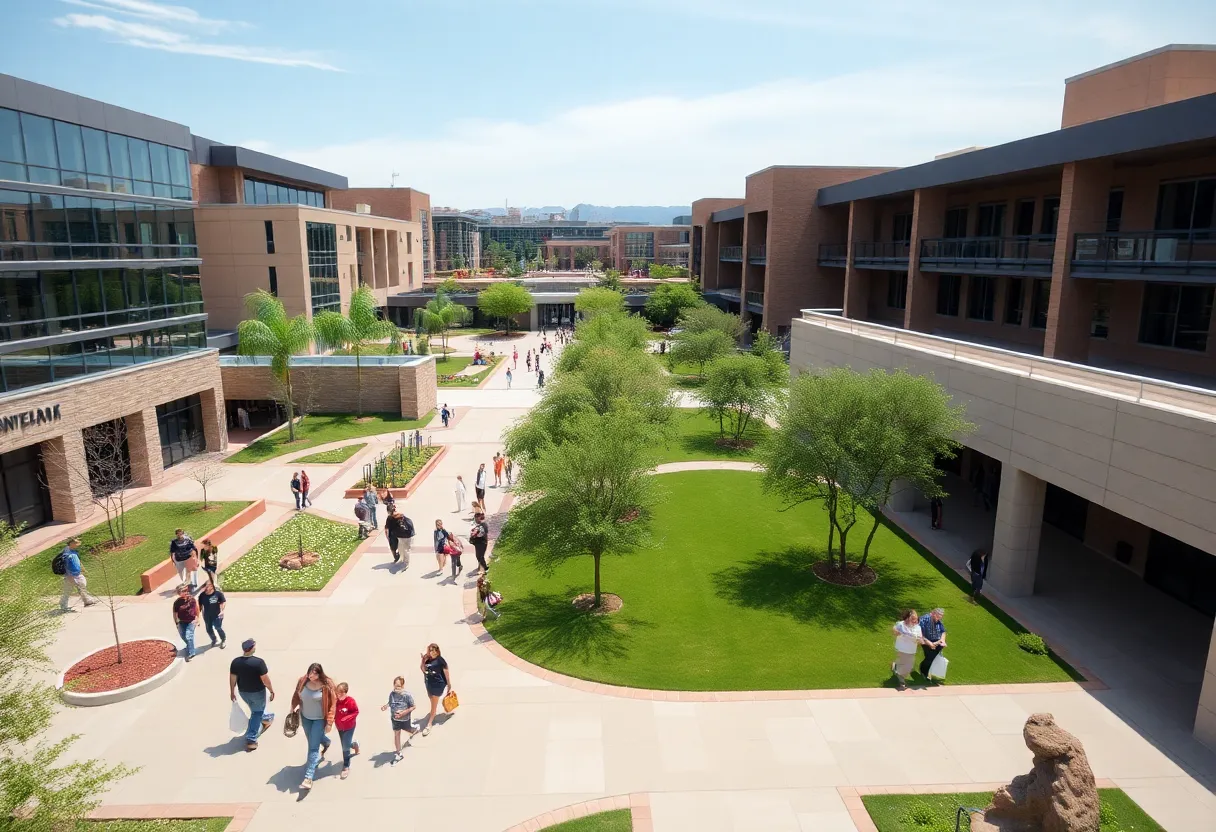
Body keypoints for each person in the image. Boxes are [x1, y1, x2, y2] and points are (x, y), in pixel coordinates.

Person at [291, 662, 337, 791]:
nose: (310, 676)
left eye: (314, 674)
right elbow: (296, 694)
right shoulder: (303, 681)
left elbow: (333, 703)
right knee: (312, 740)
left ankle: (308, 777)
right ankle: (326, 742)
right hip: (306, 717)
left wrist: (329, 722)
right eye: (309, 673)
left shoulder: (327, 685)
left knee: (313, 748)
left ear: (319, 674)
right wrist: (292, 708)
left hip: (319, 719)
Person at [229, 638, 275, 752]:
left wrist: (231, 691)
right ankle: (251, 739)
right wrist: (272, 690)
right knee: (257, 712)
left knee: (255, 708)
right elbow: (265, 679)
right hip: (257, 692)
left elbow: (232, 678)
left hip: (243, 692)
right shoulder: (258, 662)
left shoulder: (235, 662)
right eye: (254, 646)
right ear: (251, 649)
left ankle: (265, 718)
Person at [381, 675, 418, 763]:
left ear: (402, 686)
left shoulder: (407, 695)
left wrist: (403, 713)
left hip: (405, 719)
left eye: (399, 686)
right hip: (394, 719)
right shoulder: (392, 694)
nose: (397, 687)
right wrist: (386, 706)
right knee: (397, 734)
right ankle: (398, 753)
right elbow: (390, 702)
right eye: (395, 685)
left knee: (409, 729)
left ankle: (415, 729)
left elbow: (413, 706)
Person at [419, 643, 453, 736]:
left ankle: (429, 724)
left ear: (438, 651)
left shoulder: (440, 660)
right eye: (431, 650)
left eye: (435, 650)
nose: (433, 652)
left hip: (438, 685)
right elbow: (423, 670)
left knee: (433, 706)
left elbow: (446, 671)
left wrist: (449, 684)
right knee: (432, 701)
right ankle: (433, 712)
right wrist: (422, 660)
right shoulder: (427, 660)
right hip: (428, 684)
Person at [57, 537, 97, 611]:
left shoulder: (74, 551)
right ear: (71, 543)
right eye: (76, 543)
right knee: (68, 590)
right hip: (70, 575)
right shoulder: (66, 553)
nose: (77, 545)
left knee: (82, 584)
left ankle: (87, 600)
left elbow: (78, 561)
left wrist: (83, 569)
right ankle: (63, 605)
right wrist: (69, 576)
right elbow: (65, 565)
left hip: (77, 573)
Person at [890, 609, 923, 691]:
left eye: (915, 619)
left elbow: (920, 638)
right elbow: (894, 629)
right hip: (902, 648)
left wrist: (919, 641)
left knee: (909, 666)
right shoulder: (901, 624)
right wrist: (896, 632)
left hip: (911, 650)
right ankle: (902, 682)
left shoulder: (918, 628)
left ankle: (895, 667)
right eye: (913, 618)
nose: (914, 621)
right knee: (905, 666)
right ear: (908, 618)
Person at [334, 682, 360, 780]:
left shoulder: (350, 701)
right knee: (345, 744)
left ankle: (346, 765)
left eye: (341, 693)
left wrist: (347, 718)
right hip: (339, 727)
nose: (339, 695)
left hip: (349, 727)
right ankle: (355, 744)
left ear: (345, 692)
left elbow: (356, 711)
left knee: (345, 747)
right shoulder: (336, 702)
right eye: (337, 693)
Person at [918, 607, 948, 681]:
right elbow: (920, 634)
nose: (938, 619)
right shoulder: (924, 619)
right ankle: (923, 671)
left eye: (940, 617)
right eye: (937, 617)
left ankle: (927, 671)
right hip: (926, 641)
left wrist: (942, 640)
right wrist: (929, 643)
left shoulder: (938, 620)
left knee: (933, 659)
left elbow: (943, 631)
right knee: (929, 657)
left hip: (937, 641)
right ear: (933, 613)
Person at [171, 583, 199, 662]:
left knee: (188, 636)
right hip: (182, 622)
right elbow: (175, 613)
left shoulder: (192, 599)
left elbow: (197, 609)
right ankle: (190, 646)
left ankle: (191, 653)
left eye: (186, 590)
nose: (186, 592)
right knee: (183, 636)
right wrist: (176, 623)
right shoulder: (177, 602)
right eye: (183, 591)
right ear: (179, 593)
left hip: (191, 621)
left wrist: (197, 619)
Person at [198, 578, 227, 649]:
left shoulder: (218, 594)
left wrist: (222, 611)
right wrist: (198, 616)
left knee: (218, 627)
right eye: (206, 586)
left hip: (217, 615)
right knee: (209, 629)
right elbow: (199, 606)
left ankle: (223, 640)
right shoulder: (202, 595)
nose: (206, 588)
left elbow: (223, 602)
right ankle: (214, 639)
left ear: (212, 586)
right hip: (207, 616)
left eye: (208, 586)